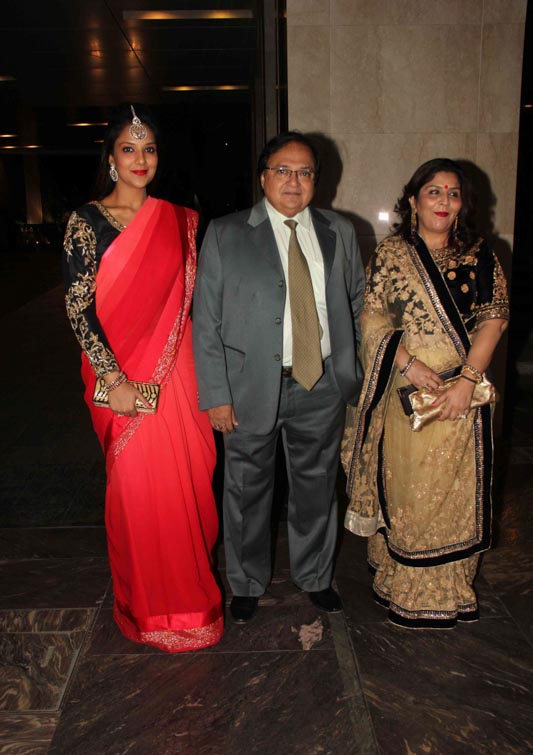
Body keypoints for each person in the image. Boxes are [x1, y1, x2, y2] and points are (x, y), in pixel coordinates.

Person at [62, 103, 223, 651]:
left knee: (189, 484)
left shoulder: (179, 220)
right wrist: (116, 379)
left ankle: (194, 607)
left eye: (148, 148)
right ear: (110, 158)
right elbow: (79, 308)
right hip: (119, 376)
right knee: (136, 491)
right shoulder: (86, 221)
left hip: (178, 372)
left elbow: (190, 306)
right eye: (128, 148)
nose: (140, 158)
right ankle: (149, 611)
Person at [193, 131, 365, 624]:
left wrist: (349, 369)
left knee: (317, 486)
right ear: (263, 177)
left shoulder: (339, 230)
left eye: (305, 172)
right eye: (283, 170)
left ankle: (315, 576)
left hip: (321, 383)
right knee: (246, 489)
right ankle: (247, 582)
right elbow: (206, 321)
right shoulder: (226, 233)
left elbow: (357, 301)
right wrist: (216, 393)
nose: (294, 181)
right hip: (248, 387)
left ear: (317, 180)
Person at [341, 158, 509, 628]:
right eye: (434, 191)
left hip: (462, 395)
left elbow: (494, 319)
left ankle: (446, 589)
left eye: (453, 193)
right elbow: (372, 318)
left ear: (462, 204)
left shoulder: (479, 254)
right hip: (406, 396)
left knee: (453, 493)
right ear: (413, 201)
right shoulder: (391, 254)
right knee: (409, 491)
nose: (444, 201)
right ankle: (403, 582)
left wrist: (467, 382)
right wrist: (408, 364)